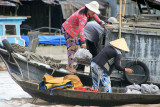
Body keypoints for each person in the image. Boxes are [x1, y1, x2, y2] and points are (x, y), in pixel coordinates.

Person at [62, 1, 105, 73]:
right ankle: (70, 67)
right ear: (90, 9)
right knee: (72, 49)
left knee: (75, 48)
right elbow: (81, 29)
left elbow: (94, 16)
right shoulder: (83, 17)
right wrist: (83, 41)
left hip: (72, 31)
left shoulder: (86, 11)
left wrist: (101, 22)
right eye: (93, 12)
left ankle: (70, 65)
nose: (94, 14)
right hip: (68, 30)